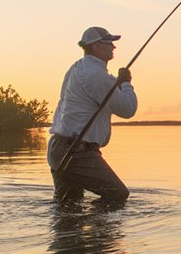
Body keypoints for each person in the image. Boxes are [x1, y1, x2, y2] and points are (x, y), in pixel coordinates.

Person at [47, 26, 138, 205]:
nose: (113, 46)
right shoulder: (96, 75)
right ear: (95, 46)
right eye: (109, 42)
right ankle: (99, 233)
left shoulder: (76, 68)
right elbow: (128, 109)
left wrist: (116, 83)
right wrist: (126, 83)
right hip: (78, 152)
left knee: (68, 207)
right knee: (117, 195)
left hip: (58, 148)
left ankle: (71, 233)